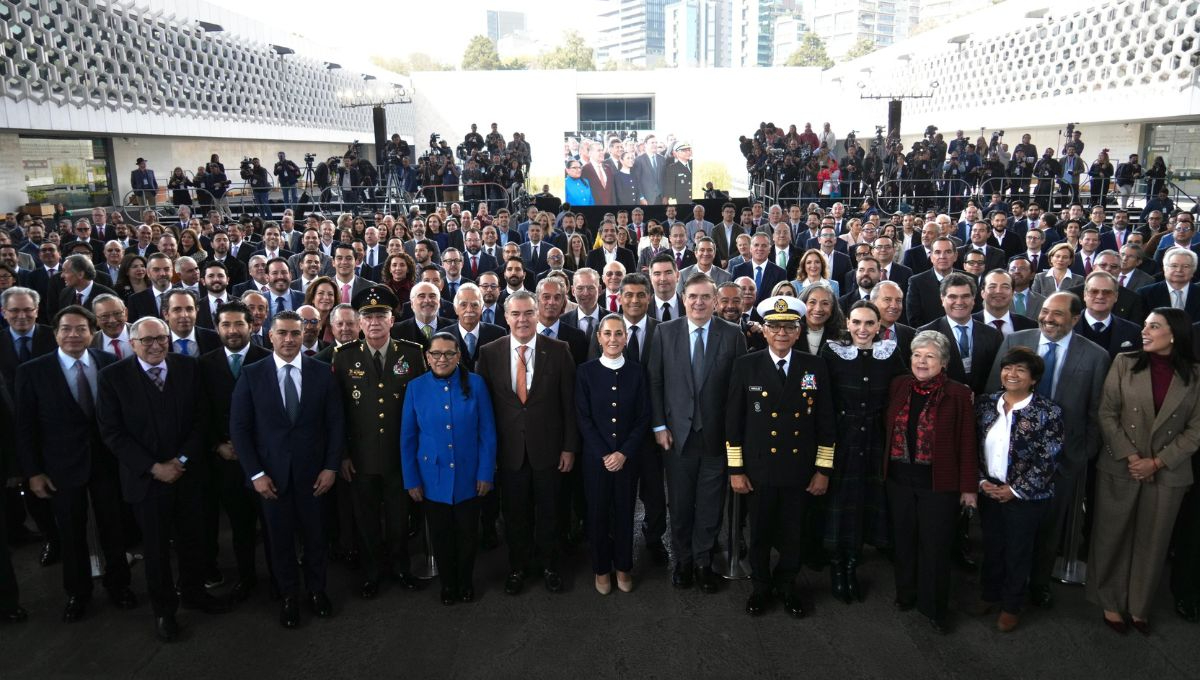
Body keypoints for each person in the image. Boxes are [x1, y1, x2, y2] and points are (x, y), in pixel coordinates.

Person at [97, 317, 228, 642]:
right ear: (132, 343)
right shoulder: (112, 377)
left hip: (187, 474)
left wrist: (180, 460)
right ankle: (164, 611)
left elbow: (202, 418)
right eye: (147, 341)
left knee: (192, 540)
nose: (155, 346)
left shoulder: (188, 367)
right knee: (155, 550)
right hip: (146, 480)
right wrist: (154, 467)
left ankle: (195, 593)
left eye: (161, 339)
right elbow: (113, 433)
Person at [15, 305, 135, 622]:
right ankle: (78, 593)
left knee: (114, 528)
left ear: (91, 332)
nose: (73, 335)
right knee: (71, 533)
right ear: (55, 333)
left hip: (107, 464)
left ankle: (119, 586)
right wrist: (34, 473)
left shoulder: (107, 363)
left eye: (80, 328)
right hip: (60, 468)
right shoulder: (33, 371)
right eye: (66, 329)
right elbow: (25, 428)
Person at [229, 311, 346, 629]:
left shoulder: (322, 372)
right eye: (282, 333)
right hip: (271, 479)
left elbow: (336, 425)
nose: (290, 339)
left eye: (296, 333)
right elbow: (239, 429)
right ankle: (288, 596)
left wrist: (331, 467)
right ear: (269, 335)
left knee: (316, 538)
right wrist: (255, 475)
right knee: (279, 540)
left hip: (314, 476)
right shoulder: (253, 374)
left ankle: (317, 590)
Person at [1090, 308, 1200, 635]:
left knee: (1153, 541)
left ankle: (1139, 606)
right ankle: (1110, 601)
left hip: (1169, 472)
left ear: (1174, 334)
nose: (1145, 331)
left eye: (1154, 326)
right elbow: (1107, 414)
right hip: (1121, 463)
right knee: (1112, 535)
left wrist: (1157, 462)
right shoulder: (1124, 363)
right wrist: (1132, 456)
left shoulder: (1195, 375)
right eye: (1145, 325)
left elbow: (1196, 430)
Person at [726, 296, 835, 618]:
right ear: (765, 331)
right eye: (774, 326)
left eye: (789, 327)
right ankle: (761, 587)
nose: (782, 333)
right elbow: (734, 422)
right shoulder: (746, 365)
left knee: (793, 532)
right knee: (758, 532)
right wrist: (736, 469)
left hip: (799, 469)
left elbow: (826, 423)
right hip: (759, 468)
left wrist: (823, 470)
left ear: (799, 331)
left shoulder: (814, 366)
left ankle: (787, 585)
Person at [647, 273, 747, 592]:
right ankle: (683, 560)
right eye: (693, 297)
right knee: (679, 503)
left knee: (709, 503)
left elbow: (739, 390)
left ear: (715, 301)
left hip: (716, 437)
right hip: (677, 437)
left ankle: (703, 561)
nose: (699, 302)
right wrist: (660, 425)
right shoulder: (664, 332)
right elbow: (656, 382)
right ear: (683, 299)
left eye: (706, 297)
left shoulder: (732, 335)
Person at [475, 290, 579, 595]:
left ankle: (549, 566)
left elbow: (569, 405)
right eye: (516, 314)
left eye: (528, 313)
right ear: (505, 317)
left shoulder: (559, 350)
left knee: (550, 513)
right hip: (508, 454)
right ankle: (518, 567)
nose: (522, 320)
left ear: (538, 314)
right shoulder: (490, 352)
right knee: (515, 515)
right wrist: (488, 454)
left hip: (549, 450)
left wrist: (569, 447)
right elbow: (484, 409)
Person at [333, 286, 427, 599]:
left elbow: (421, 409)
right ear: (359, 322)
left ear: (392, 319)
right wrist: (343, 454)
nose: (374, 321)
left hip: (401, 457)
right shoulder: (345, 358)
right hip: (361, 457)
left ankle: (401, 568)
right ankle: (373, 572)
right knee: (367, 520)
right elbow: (339, 412)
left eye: (381, 315)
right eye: (367, 316)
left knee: (400, 520)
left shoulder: (412, 354)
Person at [884, 330, 978, 633]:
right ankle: (906, 595)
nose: (922, 362)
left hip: (939, 485)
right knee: (904, 542)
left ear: (944, 362)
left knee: (935, 547)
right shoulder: (899, 385)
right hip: (899, 480)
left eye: (930, 356)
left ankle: (934, 607)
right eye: (917, 355)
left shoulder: (958, 394)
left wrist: (968, 488)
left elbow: (967, 443)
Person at [400, 332, 496, 605]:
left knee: (467, 534)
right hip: (432, 477)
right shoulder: (416, 387)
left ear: (458, 356)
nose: (442, 359)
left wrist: (486, 473)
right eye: (436, 354)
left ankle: (465, 581)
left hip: (470, 474)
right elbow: (407, 438)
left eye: (449, 354)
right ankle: (448, 583)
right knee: (441, 536)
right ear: (427, 357)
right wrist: (411, 480)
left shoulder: (476, 384)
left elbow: (487, 433)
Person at [974, 347, 1063, 633]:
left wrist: (1016, 490)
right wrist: (980, 481)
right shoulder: (986, 404)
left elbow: (1048, 458)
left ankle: (1012, 605)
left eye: (1020, 370)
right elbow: (972, 447)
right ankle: (990, 594)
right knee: (992, 546)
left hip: (1025, 497)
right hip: (989, 489)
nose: (1011, 374)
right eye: (1007, 368)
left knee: (1018, 551)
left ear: (1034, 379)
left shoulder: (1047, 412)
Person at [820, 301, 904, 604]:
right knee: (839, 502)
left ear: (879, 326)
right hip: (842, 439)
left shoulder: (890, 353)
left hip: (876, 441)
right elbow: (821, 398)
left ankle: (853, 563)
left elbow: (903, 392)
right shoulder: (832, 351)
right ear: (848, 324)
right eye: (856, 323)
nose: (862, 329)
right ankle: (837, 566)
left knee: (865, 502)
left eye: (870, 324)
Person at [196, 300, 273, 602]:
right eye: (225, 325)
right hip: (226, 459)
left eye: (239, 324)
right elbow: (201, 412)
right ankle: (247, 577)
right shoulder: (204, 364)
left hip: (264, 457)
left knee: (271, 523)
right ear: (216, 328)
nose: (232, 330)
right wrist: (217, 444)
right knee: (240, 526)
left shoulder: (268, 359)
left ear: (252, 326)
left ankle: (280, 575)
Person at [575, 315, 650, 594]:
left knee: (624, 514)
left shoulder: (637, 371)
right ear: (598, 337)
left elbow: (643, 417)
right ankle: (601, 569)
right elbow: (583, 418)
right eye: (607, 334)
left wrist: (624, 453)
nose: (613, 339)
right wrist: (606, 454)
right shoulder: (585, 371)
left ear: (626, 338)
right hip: (596, 460)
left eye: (619, 334)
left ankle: (623, 567)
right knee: (597, 515)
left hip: (627, 460)